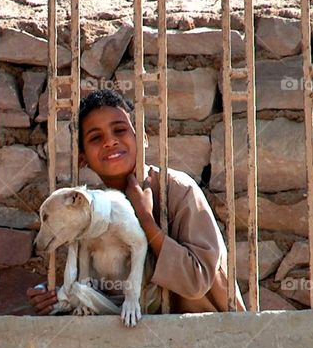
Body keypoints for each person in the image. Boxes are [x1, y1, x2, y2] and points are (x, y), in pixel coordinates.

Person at [27, 89, 245, 314]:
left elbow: (197, 282)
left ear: (142, 138)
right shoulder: (93, 212)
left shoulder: (179, 189)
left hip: (206, 335)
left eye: (120, 130)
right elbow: (107, 290)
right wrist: (59, 295)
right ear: (82, 159)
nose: (110, 141)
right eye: (95, 138)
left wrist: (147, 220)